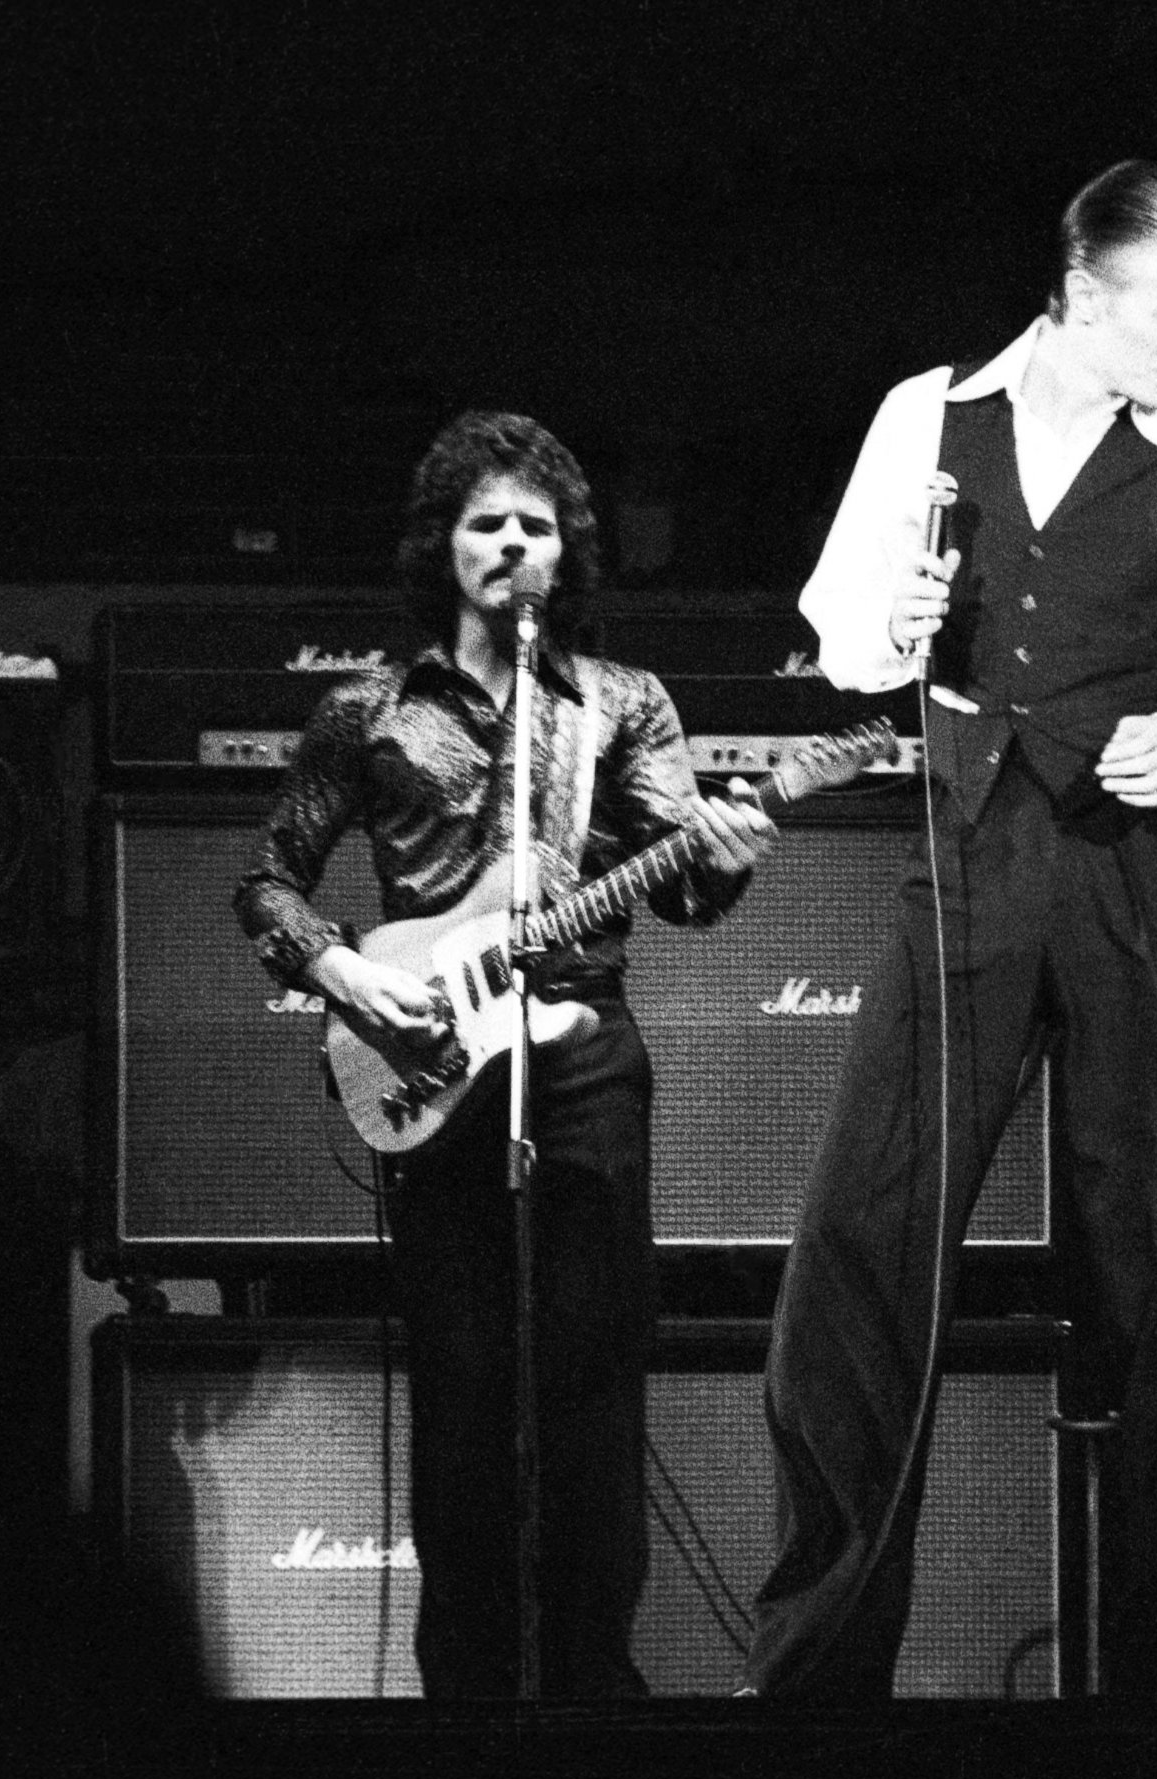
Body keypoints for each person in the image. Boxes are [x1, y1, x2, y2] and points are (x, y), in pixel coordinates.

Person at [747, 159, 1157, 1698]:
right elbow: (844, 627)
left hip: (1140, 869)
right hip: (974, 841)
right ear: (1081, 295)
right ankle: (818, 1671)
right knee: (866, 1239)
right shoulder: (929, 415)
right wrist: (886, 639)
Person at [236, 410, 774, 1698]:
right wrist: (347, 972)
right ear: (448, 545)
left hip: (582, 1064)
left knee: (593, 1383)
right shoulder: (369, 707)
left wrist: (729, 861)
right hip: (428, 1061)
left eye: (537, 526)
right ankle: (464, 1699)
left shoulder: (622, 703)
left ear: (564, 553)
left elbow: (680, 890)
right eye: (490, 523)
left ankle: (593, 1684)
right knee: (464, 1395)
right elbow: (268, 884)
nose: (514, 545)